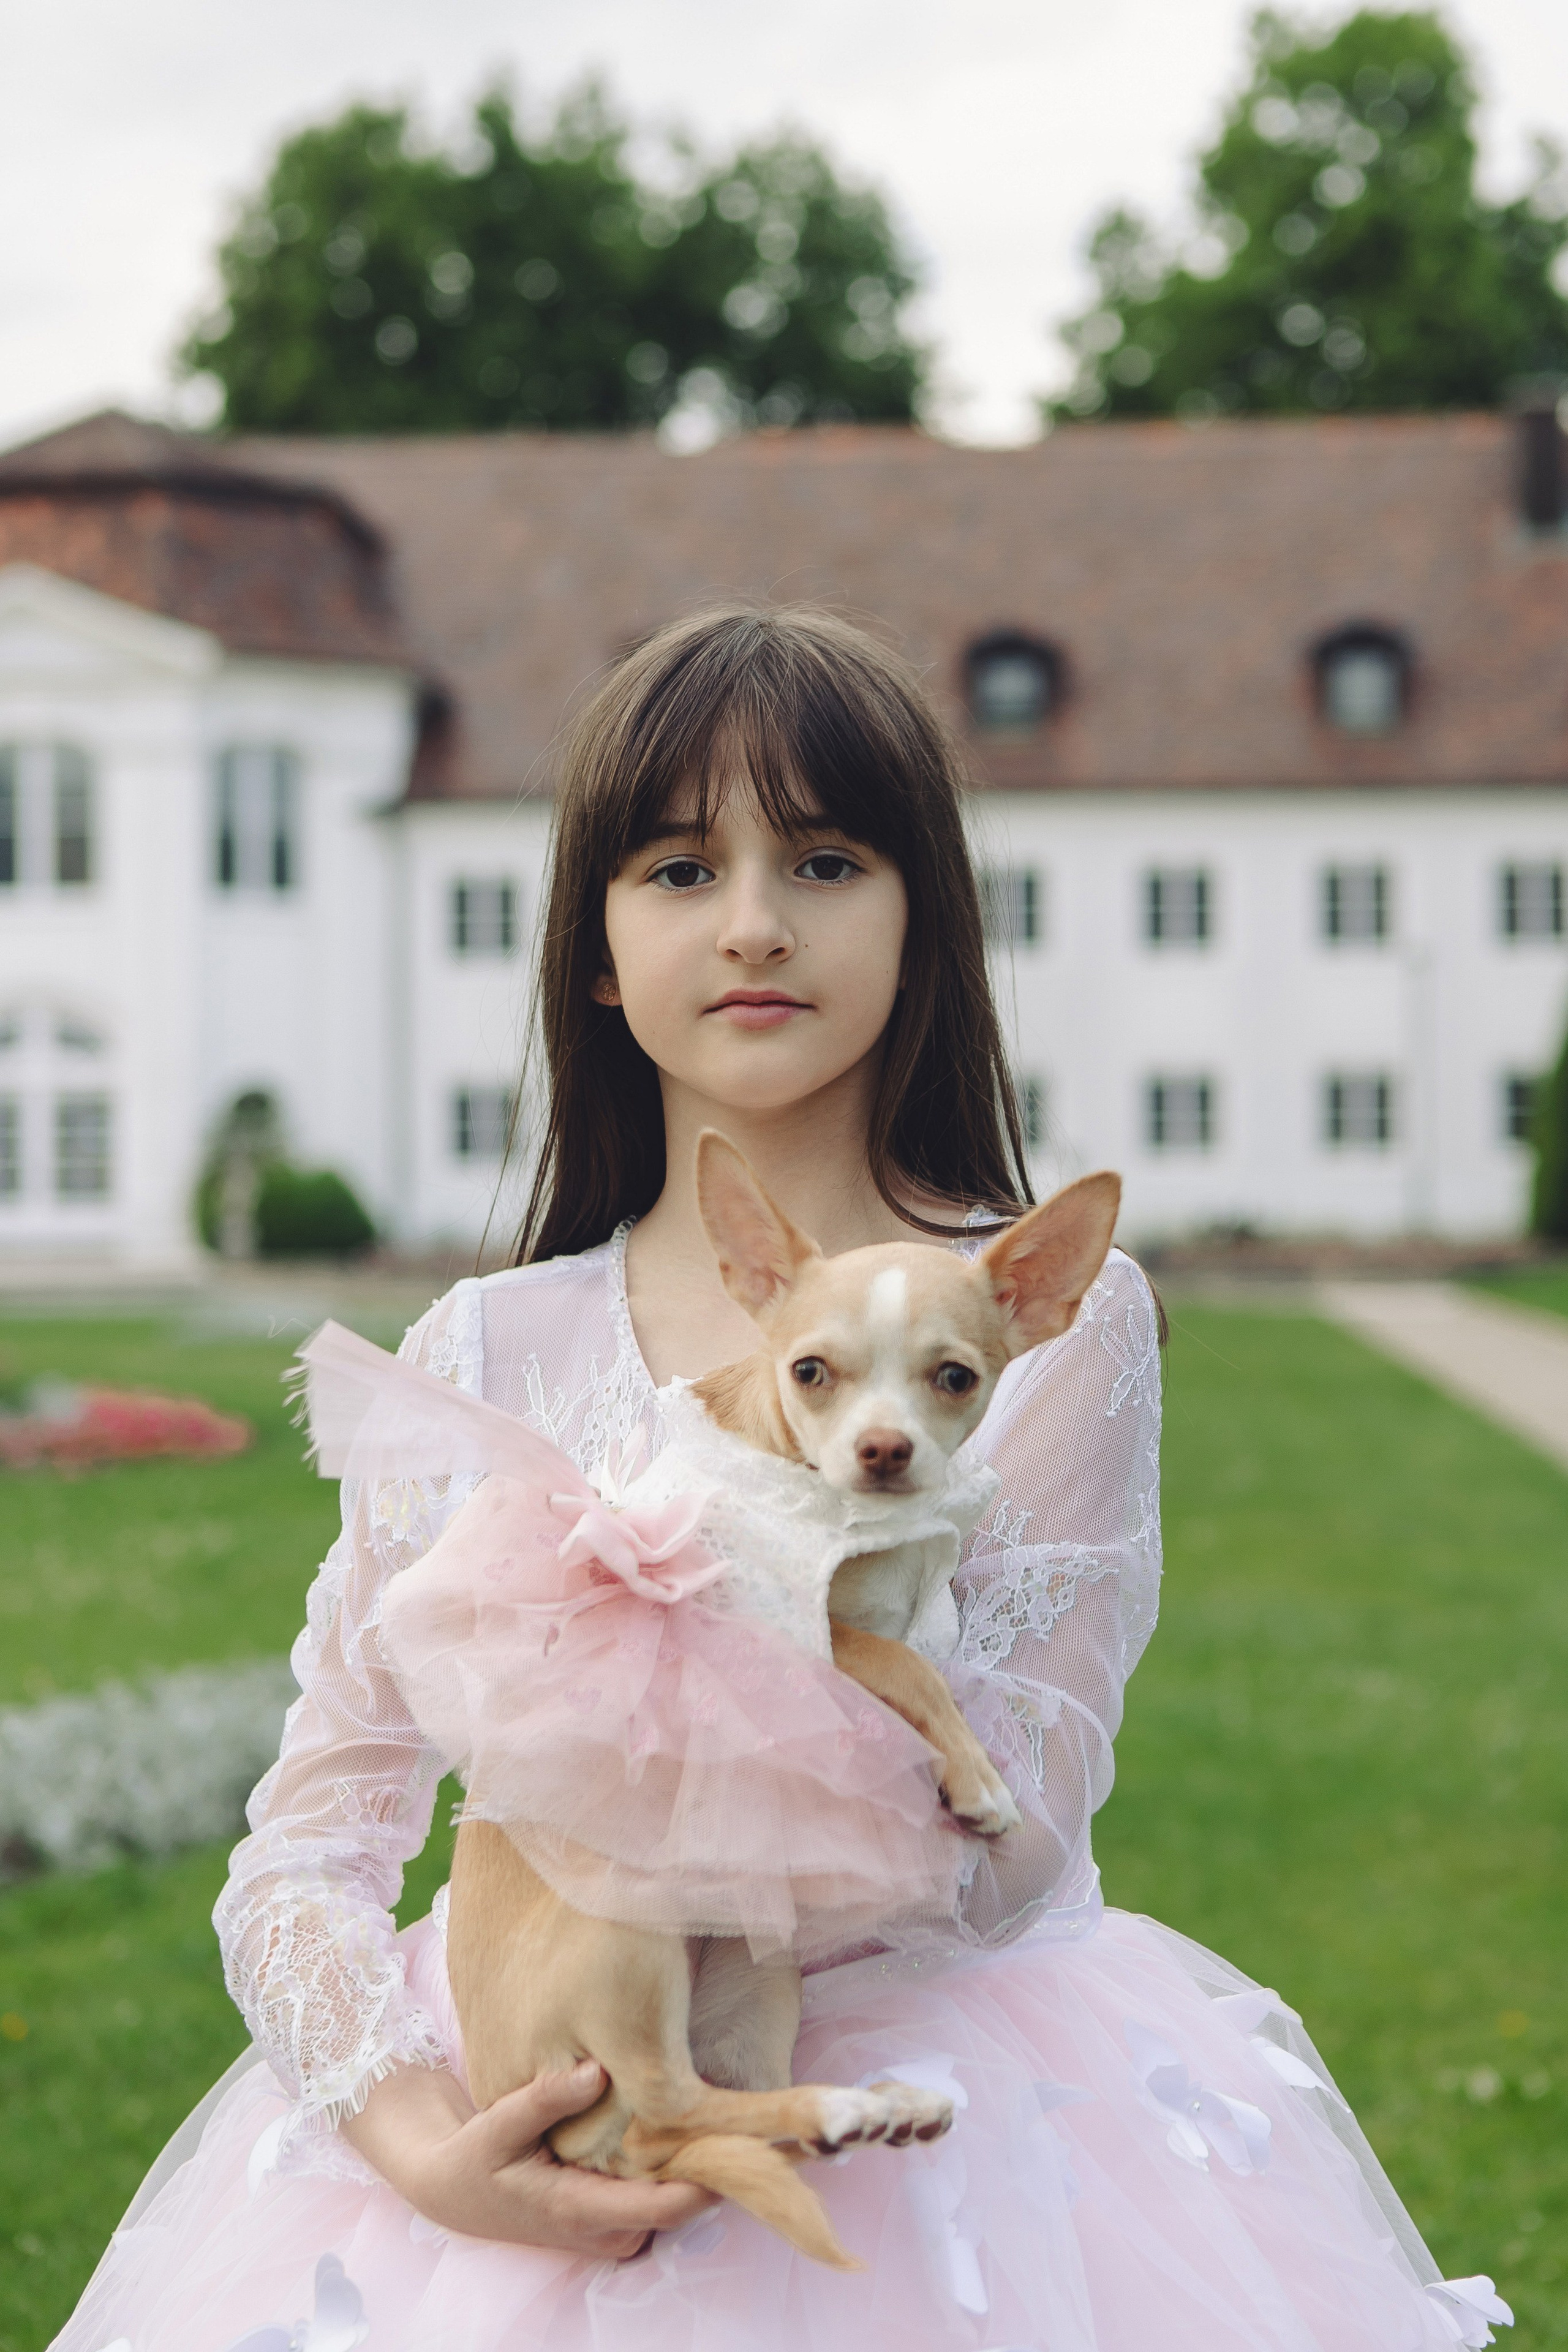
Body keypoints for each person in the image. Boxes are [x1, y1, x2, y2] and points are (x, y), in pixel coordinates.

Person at [54, 608, 1509, 2352]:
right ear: (595, 948)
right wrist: (425, 2145)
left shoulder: (1049, 1324)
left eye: (823, 858)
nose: (751, 922)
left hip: (951, 2140)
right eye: (678, 869)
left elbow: (1014, 1829)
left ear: (924, 919)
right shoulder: (484, 1352)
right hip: (511, 2127)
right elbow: (312, 1839)